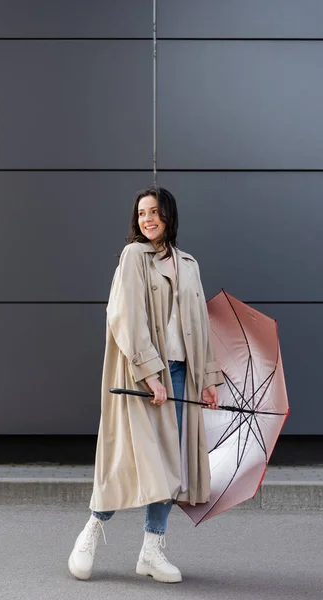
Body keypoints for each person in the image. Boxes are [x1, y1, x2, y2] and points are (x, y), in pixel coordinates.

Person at [68, 186, 224, 583]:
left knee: (170, 465)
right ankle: (90, 531)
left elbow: (201, 328)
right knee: (129, 458)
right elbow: (125, 316)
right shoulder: (134, 256)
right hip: (142, 374)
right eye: (141, 213)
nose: (147, 219)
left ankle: (152, 550)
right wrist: (150, 373)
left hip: (179, 374)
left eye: (154, 212)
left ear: (169, 215)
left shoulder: (188, 264)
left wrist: (207, 380)